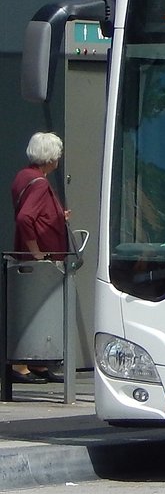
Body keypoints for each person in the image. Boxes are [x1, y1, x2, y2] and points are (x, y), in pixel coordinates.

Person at [9, 131, 70, 384]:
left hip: (31, 254)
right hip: (41, 258)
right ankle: (22, 365)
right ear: (51, 158)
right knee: (39, 307)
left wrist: (57, 216)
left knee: (36, 308)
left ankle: (39, 363)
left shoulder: (23, 177)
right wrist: (36, 250)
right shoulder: (41, 183)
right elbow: (25, 217)